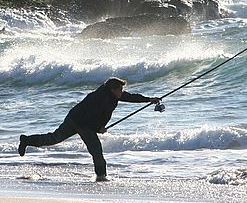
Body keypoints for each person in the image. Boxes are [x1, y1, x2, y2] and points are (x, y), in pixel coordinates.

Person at [18, 77, 160, 182]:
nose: (122, 92)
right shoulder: (100, 97)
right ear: (112, 89)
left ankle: (26, 140)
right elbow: (91, 116)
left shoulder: (112, 94)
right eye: (120, 90)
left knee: (54, 138)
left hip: (75, 118)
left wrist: (149, 99)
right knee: (96, 149)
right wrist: (98, 127)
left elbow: (130, 97)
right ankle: (101, 177)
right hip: (82, 122)